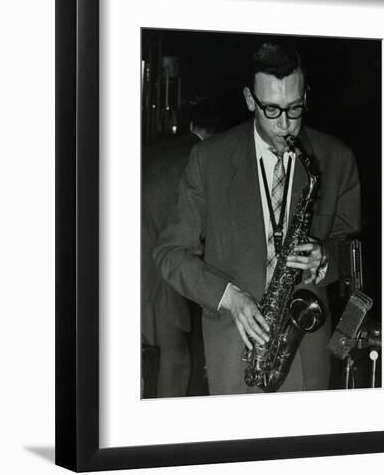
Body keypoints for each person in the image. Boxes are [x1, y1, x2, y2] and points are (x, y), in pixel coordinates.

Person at [153, 42, 361, 395]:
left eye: (294, 109)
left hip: (306, 355)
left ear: (305, 95)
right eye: (271, 109)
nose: (285, 125)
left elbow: (353, 253)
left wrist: (326, 257)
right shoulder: (209, 160)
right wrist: (229, 296)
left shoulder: (336, 158)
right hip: (232, 353)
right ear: (250, 99)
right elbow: (170, 254)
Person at [142, 99, 223, 398]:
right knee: (177, 361)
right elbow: (200, 233)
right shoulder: (200, 158)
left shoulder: (160, 149)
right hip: (149, 263)